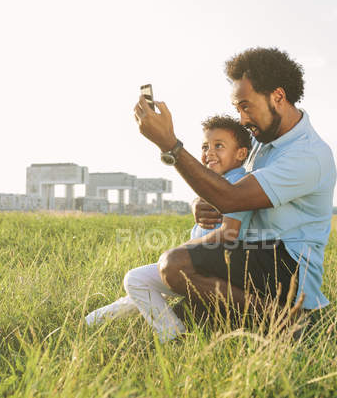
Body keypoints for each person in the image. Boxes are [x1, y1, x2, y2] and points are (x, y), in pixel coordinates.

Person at [133, 47, 336, 326]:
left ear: (277, 97)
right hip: (252, 253)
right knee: (186, 316)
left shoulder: (308, 155)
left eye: (246, 106)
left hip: (287, 265)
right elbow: (223, 183)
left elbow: (230, 197)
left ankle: (287, 321)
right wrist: (199, 202)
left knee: (175, 265)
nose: (242, 118)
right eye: (237, 109)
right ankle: (252, 316)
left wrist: (170, 145)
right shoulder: (259, 141)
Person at [85, 115, 253, 342]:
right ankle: (91, 322)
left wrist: (182, 251)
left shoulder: (236, 185)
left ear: (241, 154)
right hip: (202, 262)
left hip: (214, 268)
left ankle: (174, 336)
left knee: (136, 279)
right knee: (141, 288)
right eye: (205, 146)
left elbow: (229, 233)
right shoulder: (215, 184)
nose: (209, 152)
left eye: (219, 146)